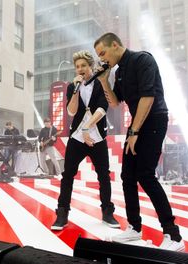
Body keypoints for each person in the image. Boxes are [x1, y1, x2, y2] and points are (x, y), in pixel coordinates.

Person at [94, 32, 184, 251]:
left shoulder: (143, 59)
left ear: (115, 45)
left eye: (103, 53)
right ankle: (134, 227)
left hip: (154, 120)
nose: (102, 59)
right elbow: (115, 102)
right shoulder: (119, 71)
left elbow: (148, 97)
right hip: (137, 124)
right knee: (127, 176)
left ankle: (173, 235)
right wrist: (105, 81)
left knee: (145, 174)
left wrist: (133, 132)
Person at [51, 50, 119, 231]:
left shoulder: (101, 82)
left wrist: (88, 127)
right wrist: (75, 91)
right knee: (67, 175)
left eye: (83, 66)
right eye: (77, 66)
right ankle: (62, 213)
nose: (80, 69)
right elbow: (71, 112)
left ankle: (107, 212)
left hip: (97, 136)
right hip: (77, 137)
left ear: (90, 67)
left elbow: (103, 108)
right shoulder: (72, 86)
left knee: (103, 175)